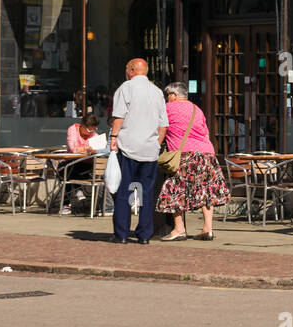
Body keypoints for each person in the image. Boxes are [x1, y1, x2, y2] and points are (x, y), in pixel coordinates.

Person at [158, 83, 229, 242]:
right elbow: (206, 132)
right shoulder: (197, 110)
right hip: (207, 153)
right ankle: (208, 229)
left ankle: (179, 228)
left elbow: (160, 128)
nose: (167, 98)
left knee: (175, 188)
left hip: (185, 154)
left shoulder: (168, 108)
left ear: (174, 95)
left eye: (168, 94)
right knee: (206, 189)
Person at [108, 58, 168, 244]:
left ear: (132, 70)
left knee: (124, 190)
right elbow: (163, 125)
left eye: (127, 69)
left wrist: (113, 137)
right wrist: (156, 143)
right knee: (146, 193)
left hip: (128, 146)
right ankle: (144, 235)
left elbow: (119, 116)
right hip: (149, 149)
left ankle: (122, 233)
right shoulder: (157, 92)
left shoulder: (126, 88)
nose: (126, 72)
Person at [60, 110, 102, 215]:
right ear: (82, 125)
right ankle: (78, 191)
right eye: (88, 130)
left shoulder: (94, 135)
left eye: (93, 130)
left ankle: (66, 204)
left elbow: (98, 148)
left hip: (87, 166)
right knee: (67, 168)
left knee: (66, 171)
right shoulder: (73, 129)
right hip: (72, 163)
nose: (90, 133)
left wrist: (84, 149)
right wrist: (87, 148)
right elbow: (73, 149)